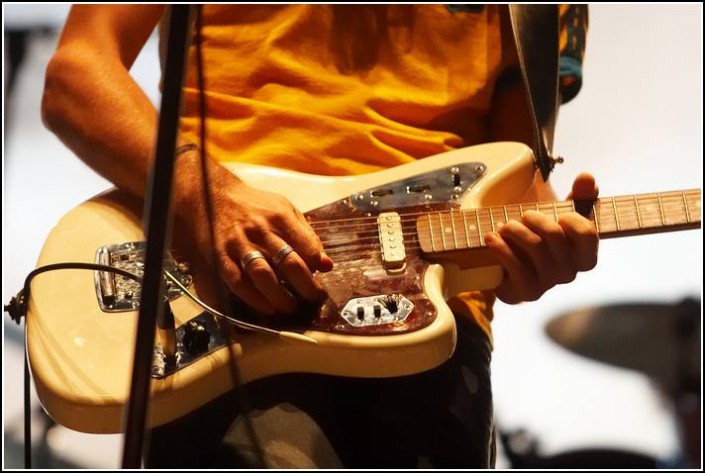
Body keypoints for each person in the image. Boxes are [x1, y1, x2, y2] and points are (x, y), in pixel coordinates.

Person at [41, 5, 597, 468]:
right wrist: (206, 194)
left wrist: (538, 254)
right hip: (232, 297)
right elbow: (76, 77)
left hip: (434, 331)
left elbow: (520, 180)